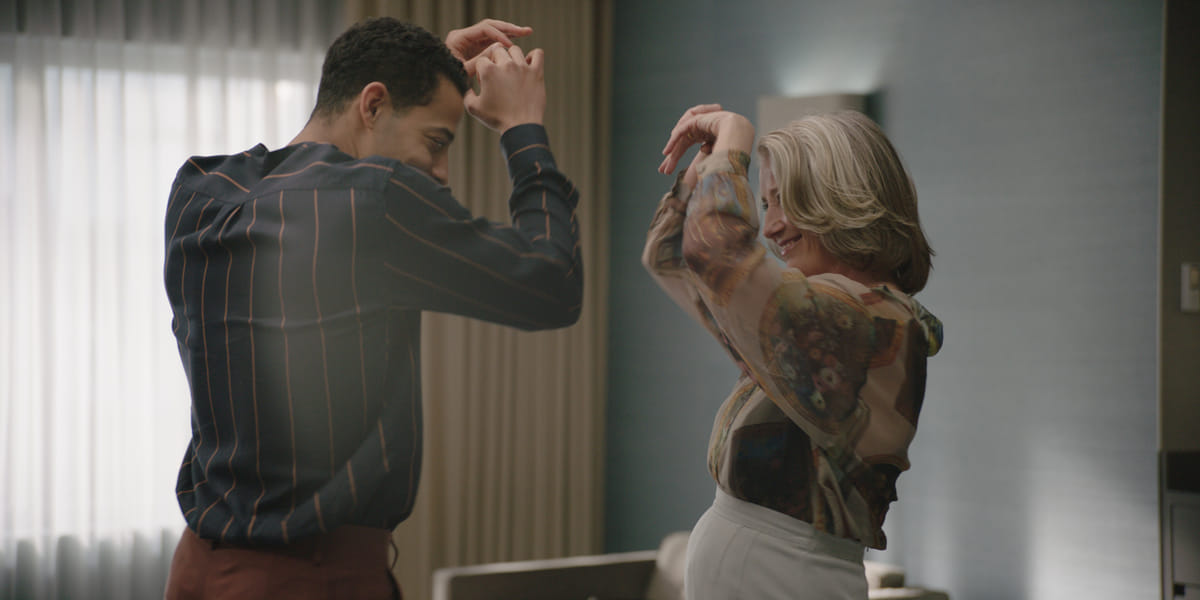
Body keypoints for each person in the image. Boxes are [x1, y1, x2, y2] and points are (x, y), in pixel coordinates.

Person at [162, 16, 582, 599]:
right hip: (309, 580)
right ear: (373, 104)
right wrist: (523, 127)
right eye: (436, 142)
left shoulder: (200, 189)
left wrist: (427, 68)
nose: (440, 173)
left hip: (198, 570)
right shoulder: (373, 199)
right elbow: (552, 283)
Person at [644, 104, 943, 599]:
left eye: (785, 200)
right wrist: (705, 170)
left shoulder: (866, 324)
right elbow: (675, 258)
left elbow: (714, 255)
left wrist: (734, 140)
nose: (771, 226)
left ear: (844, 197)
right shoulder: (812, 320)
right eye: (766, 204)